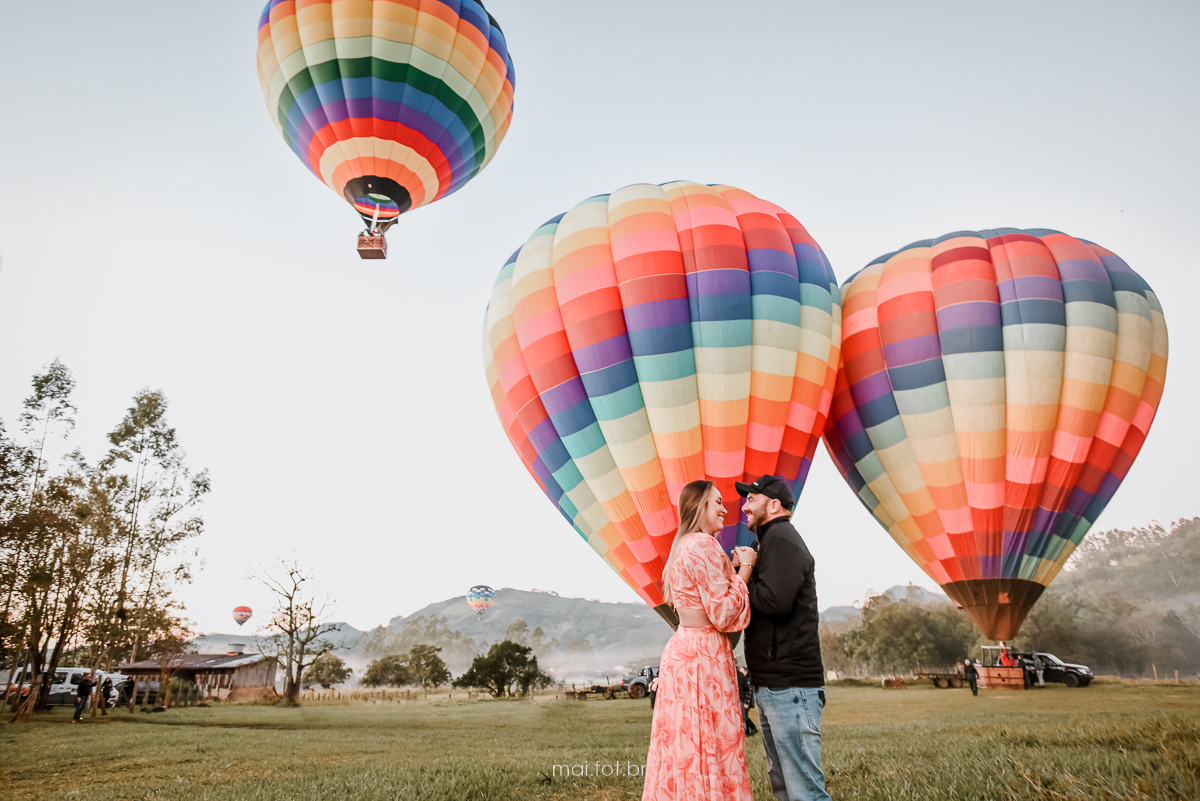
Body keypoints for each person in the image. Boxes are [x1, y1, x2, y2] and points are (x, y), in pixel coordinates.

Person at [642, 479, 754, 801]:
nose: (725, 508)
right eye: (717, 502)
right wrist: (745, 569)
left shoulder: (682, 546)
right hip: (704, 654)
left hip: (682, 650)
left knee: (683, 743)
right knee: (714, 740)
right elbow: (723, 612)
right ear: (698, 508)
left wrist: (727, 574)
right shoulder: (705, 545)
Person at [734, 474, 831, 801]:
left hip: (791, 686)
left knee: (804, 788)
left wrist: (745, 573)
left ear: (774, 505)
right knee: (784, 784)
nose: (745, 505)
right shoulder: (768, 541)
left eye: (752, 498)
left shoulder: (781, 540)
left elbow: (775, 602)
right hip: (773, 685)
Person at [737, 666, 758, 736]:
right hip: (745, 701)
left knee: (745, 717)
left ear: (746, 672)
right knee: (745, 716)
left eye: (742, 671)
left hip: (746, 701)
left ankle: (753, 728)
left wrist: (747, 703)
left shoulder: (749, 680)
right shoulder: (745, 679)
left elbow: (749, 692)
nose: (741, 672)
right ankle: (748, 731)